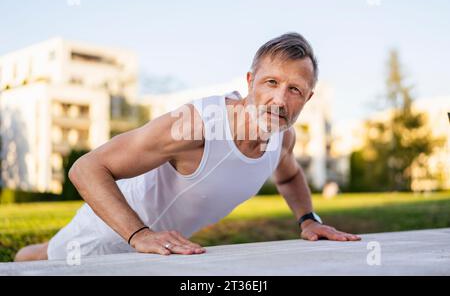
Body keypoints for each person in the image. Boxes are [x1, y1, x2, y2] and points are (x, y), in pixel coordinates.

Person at [15, 32, 360, 262]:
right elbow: (86, 168)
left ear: (308, 98)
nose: (280, 99)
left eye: (295, 89)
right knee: (45, 258)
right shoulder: (196, 125)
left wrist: (308, 220)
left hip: (161, 249)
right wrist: (139, 234)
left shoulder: (282, 137)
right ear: (250, 81)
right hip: (106, 233)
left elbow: (290, 177)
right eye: (271, 82)